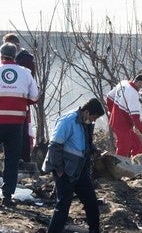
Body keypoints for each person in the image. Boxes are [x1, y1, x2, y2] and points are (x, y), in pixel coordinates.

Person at [0, 43, 39, 207]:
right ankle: (7, 197)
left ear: (0, 55)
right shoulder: (25, 73)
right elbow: (35, 97)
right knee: (12, 160)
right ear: (15, 56)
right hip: (16, 124)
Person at [42, 98, 105, 233]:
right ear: (86, 112)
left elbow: (83, 143)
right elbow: (54, 146)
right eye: (93, 117)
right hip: (65, 170)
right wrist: (59, 170)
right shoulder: (68, 121)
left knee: (91, 203)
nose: (94, 121)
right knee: (63, 206)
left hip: (80, 171)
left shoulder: (85, 122)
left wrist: (93, 149)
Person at [3, 33, 37, 163]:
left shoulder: (25, 61)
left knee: (22, 134)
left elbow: (29, 86)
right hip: (8, 105)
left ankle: (23, 160)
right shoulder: (17, 61)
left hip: (20, 104)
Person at [106, 74, 142, 157]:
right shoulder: (133, 93)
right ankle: (118, 167)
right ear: (139, 82)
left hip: (118, 122)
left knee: (137, 145)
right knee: (124, 147)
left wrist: (112, 112)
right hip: (122, 124)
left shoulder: (123, 83)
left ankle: (135, 166)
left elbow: (109, 97)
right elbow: (135, 117)